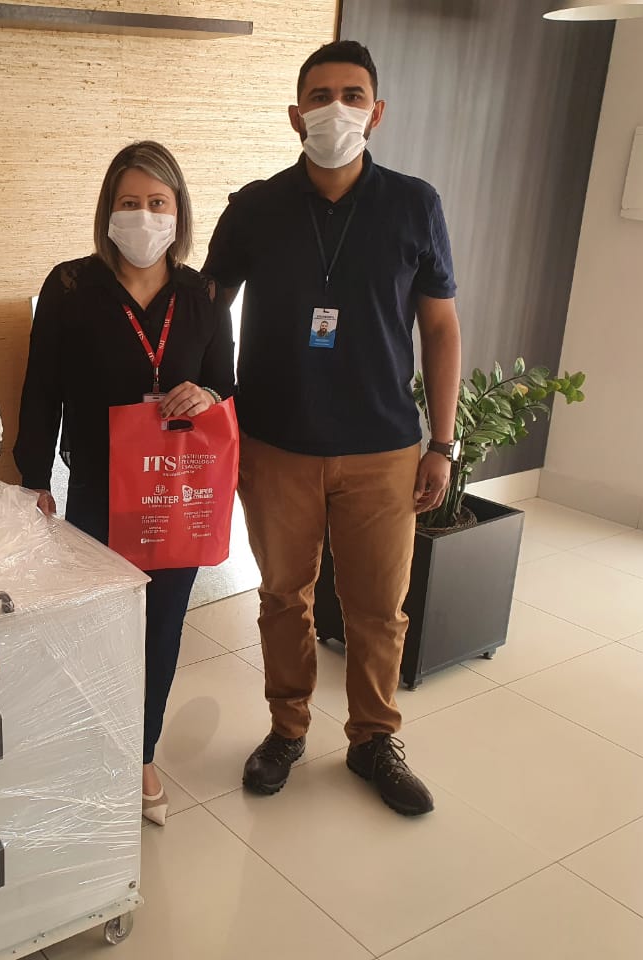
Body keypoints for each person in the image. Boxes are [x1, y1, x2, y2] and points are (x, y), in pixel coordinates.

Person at [203, 41, 463, 817]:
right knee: (285, 598)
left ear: (376, 112)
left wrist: (442, 442)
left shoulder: (414, 204)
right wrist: (215, 415)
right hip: (276, 445)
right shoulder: (254, 207)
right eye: (320, 96)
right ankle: (287, 729)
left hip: (384, 448)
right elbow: (206, 309)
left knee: (379, 608)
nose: (336, 110)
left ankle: (373, 738)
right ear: (296, 115)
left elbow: (441, 328)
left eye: (352, 96)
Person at [15, 141, 235, 826]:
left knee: (160, 628)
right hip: (98, 493)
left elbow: (226, 385)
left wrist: (205, 395)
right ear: (107, 211)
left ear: (179, 211)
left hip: (175, 492)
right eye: (129, 202)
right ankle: (89, 742)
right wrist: (32, 478)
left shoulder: (202, 295)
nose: (144, 215)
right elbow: (41, 389)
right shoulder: (70, 287)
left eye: (157, 202)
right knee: (95, 625)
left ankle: (139, 753)